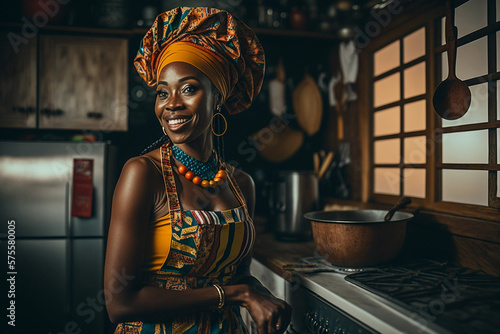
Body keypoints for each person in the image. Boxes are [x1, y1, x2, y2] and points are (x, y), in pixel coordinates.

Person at [104, 7, 292, 334]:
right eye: (163, 92)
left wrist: (257, 291)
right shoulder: (142, 173)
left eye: (188, 88)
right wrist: (238, 293)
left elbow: (238, 274)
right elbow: (119, 304)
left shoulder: (240, 183)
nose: (171, 104)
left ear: (218, 97)